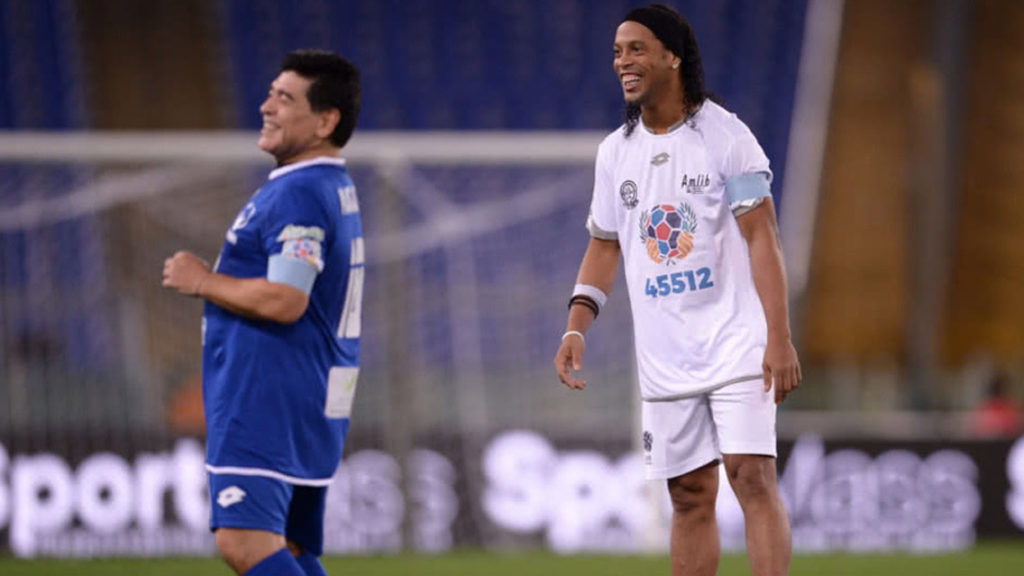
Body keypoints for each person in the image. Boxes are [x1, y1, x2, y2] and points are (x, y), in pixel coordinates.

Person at [553, 5, 800, 576]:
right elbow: (605, 244)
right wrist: (575, 325)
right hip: (665, 355)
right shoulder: (616, 152)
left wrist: (779, 338)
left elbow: (764, 238)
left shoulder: (727, 136)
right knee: (689, 493)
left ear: (672, 56)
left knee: (751, 474)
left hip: (737, 340)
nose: (623, 61)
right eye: (618, 51)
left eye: (636, 48)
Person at [163, 49, 363, 576]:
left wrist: (201, 280)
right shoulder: (329, 185)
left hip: (271, 394)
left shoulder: (298, 193)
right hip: (309, 391)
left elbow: (286, 299)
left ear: (325, 121)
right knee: (289, 548)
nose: (266, 106)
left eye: (284, 98)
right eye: (271, 93)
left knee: (244, 543)